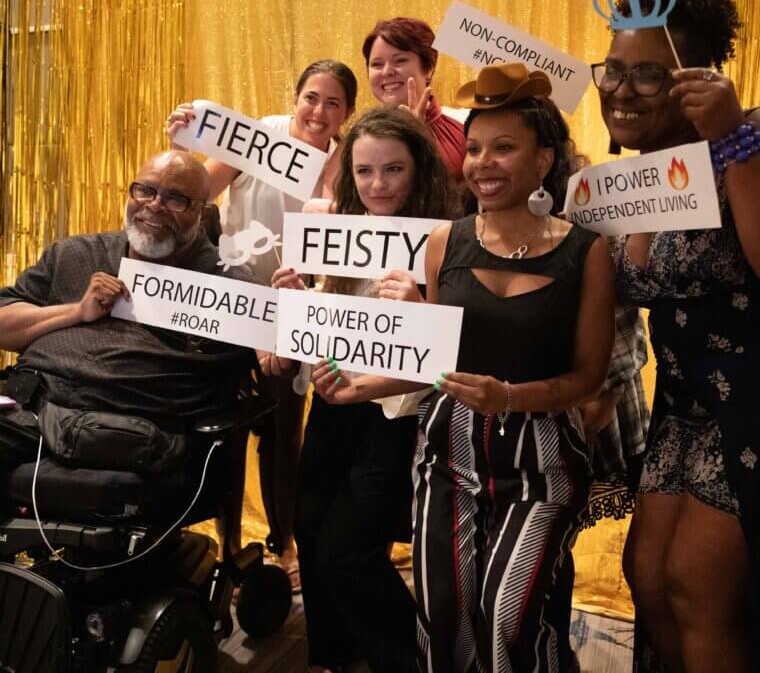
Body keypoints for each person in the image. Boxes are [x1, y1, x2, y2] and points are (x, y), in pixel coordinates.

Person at [312, 63, 615, 672]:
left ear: (544, 159)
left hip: (541, 458)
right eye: (474, 149)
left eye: (504, 148)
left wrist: (509, 397)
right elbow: (434, 361)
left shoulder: (588, 251)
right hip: (447, 455)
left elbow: (588, 377)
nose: (482, 164)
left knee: (508, 618)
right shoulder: (445, 242)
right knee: (443, 615)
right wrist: (358, 385)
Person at [593, 0, 760, 672]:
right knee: (649, 577)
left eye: (647, 74)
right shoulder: (621, 178)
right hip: (682, 403)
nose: (621, 89)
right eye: (612, 69)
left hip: (755, 402)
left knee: (700, 589)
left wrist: (734, 141)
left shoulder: (750, 140)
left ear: (695, 78)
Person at [272, 108, 460, 673]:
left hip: (399, 411)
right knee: (308, 529)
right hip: (333, 398)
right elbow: (315, 326)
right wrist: (295, 296)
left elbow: (455, 344)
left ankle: (410, 660)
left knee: (346, 549)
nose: (377, 185)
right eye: (364, 171)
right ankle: (329, 655)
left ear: (419, 171)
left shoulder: (445, 237)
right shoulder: (332, 228)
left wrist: (420, 303)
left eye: (392, 170)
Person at [166, 60, 358, 591]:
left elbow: (335, 227)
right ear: (295, 98)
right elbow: (201, 185)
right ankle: (225, 546)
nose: (319, 111)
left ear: (347, 111)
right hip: (230, 296)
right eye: (311, 98)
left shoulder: (346, 158)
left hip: (294, 302)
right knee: (221, 426)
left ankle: (285, 541)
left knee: (281, 430)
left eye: (333, 102)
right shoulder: (258, 137)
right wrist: (182, 141)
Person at [0, 152, 257, 526]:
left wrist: (278, 355)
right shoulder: (75, 253)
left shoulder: (229, 286)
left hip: (132, 430)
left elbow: (269, 364)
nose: (155, 206)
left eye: (176, 198)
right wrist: (76, 312)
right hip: (31, 412)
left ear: (202, 212)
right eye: (145, 190)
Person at [362, 17, 466, 182]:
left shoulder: (464, 129)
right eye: (377, 64)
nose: (387, 71)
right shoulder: (361, 136)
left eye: (400, 60)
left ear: (428, 68)